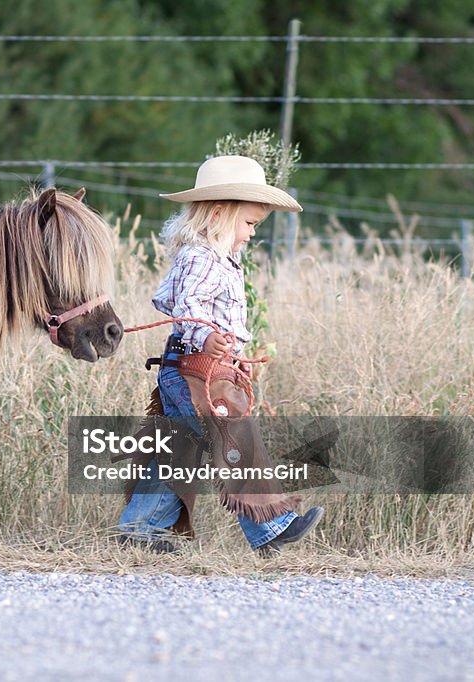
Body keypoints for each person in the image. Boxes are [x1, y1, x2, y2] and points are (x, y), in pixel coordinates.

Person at [118, 155, 323, 555]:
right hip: (194, 371)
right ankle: (272, 526)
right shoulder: (199, 258)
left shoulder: (223, 260)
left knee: (181, 450)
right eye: (249, 224)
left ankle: (140, 529)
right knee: (235, 440)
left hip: (201, 371)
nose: (250, 234)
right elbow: (187, 305)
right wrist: (204, 337)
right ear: (217, 214)